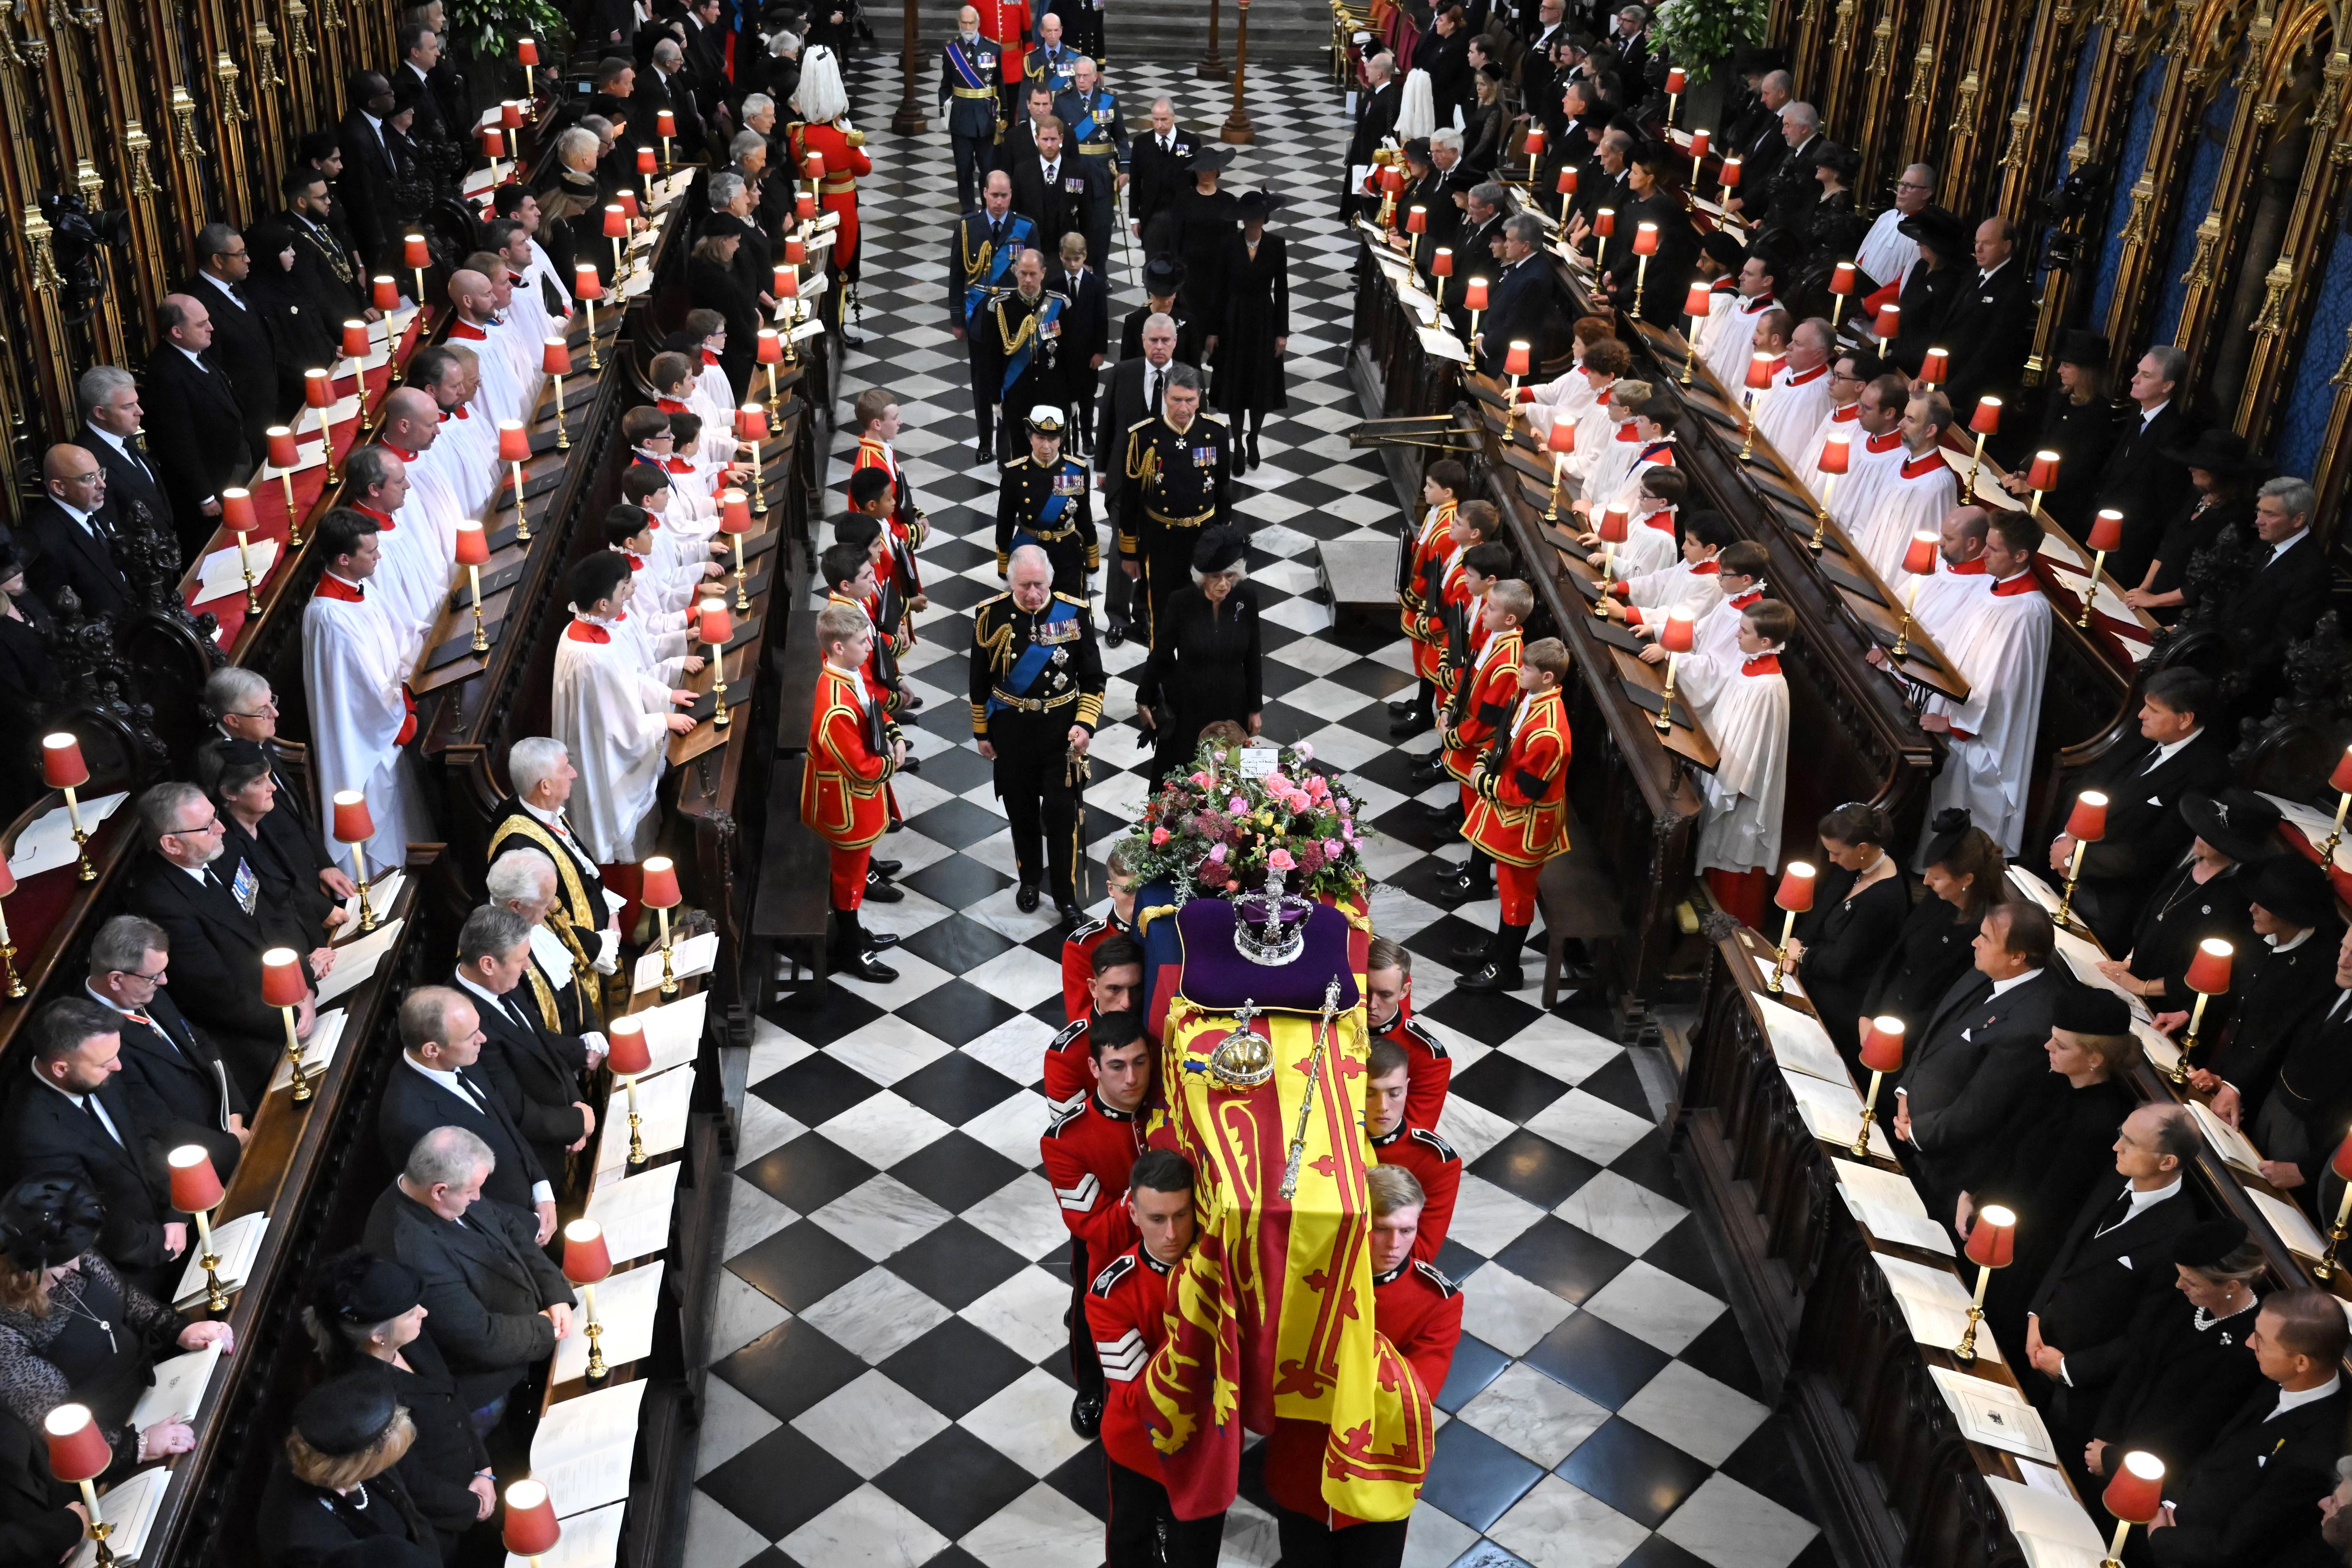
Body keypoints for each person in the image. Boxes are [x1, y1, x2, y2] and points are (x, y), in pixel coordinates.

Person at [1263, 1165, 1462, 1565]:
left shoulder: (1436, 1300)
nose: (1394, 1244)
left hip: (1379, 1472)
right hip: (1305, 1463)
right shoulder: (1303, 1278)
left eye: (1407, 1230)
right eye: (1382, 1228)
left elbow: (1413, 1395)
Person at [0, 1176, 229, 1480]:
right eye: (68, 1260)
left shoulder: (69, 1255)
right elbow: (56, 1426)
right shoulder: (7, 1333)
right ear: (29, 1268)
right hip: (111, 1443)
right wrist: (139, 1446)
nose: (81, 1264)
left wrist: (177, 1330)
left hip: (155, 1386)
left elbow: (127, 1299)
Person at [361, 1125, 573, 1430]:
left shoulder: (451, 1186)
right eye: (471, 1192)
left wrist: (556, 1294)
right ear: (439, 1190)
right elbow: (479, 1337)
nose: (478, 1197)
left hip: (534, 1330)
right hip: (497, 1383)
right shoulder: (410, 1250)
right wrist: (547, 1327)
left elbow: (510, 1229)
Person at [125, 782, 320, 1098]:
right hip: (254, 1033)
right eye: (206, 826)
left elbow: (273, 914)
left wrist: (305, 983)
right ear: (172, 844)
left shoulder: (217, 851)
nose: (221, 828)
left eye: (215, 817)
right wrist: (293, 1014)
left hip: (295, 991)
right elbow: (216, 995)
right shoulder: (162, 904)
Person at [2019, 1102, 2200, 1439]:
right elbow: (2070, 1249)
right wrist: (2035, 1314)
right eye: (2121, 1134)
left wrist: (2068, 1368)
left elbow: (2146, 1333)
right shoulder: (2117, 1174)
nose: (2117, 1146)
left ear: (2167, 1161)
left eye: (2130, 1142)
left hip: (2078, 1390)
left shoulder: (2178, 1236)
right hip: (2039, 1342)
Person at [1963, 987, 2140, 1330]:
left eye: (2061, 1044)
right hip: (1987, 1213)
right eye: (2052, 1038)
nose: (2048, 1046)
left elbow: (2047, 1205)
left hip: (2016, 1249)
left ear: (2095, 1058)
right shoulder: (2055, 1078)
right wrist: (1970, 1192)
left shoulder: (2100, 1122)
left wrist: (1982, 1226)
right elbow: (2008, 1140)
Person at [1083, 1148, 1222, 1565]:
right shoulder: (1111, 1293)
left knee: (1197, 1550)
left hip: (1205, 1444)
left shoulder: (1223, 1275)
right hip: (1139, 1444)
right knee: (1131, 1542)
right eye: (1157, 1218)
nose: (1172, 1233)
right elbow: (1134, 1393)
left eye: (1181, 1215)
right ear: (1134, 1215)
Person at [302, 1252, 495, 1551]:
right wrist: (474, 1504)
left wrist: (483, 1468)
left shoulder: (410, 1338)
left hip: (474, 1479)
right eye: (410, 1312)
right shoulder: (365, 1400)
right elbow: (414, 1485)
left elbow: (452, 1396)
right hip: (445, 1525)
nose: (424, 1313)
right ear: (379, 1336)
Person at [2144, 1289, 2347, 1567]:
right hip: (2176, 1519)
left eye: (2262, 1341)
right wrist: (2171, 1503)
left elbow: (2239, 1544)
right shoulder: (2276, 1377)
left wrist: (2162, 1537)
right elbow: (2217, 1452)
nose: (2250, 1343)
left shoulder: (2317, 1450)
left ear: (2301, 1362)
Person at [1888, 898, 2060, 1219]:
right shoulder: (1987, 967)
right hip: (1908, 1119)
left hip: (1940, 1161)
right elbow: (1936, 1032)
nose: (1974, 942)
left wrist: (1916, 1132)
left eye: (1986, 938)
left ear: (2017, 957)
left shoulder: (2031, 1026)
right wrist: (1906, 1089)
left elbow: (1981, 1107)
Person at [3, 999, 186, 1297]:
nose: (119, 1066)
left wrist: (175, 1211)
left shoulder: (96, 1071)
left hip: (167, 1225)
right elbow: (90, 1218)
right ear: (61, 1068)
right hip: (135, 1269)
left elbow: (143, 1142)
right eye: (105, 1063)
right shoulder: (34, 1133)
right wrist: (160, 1245)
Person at [2046, 668, 2233, 951]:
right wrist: (2065, 839)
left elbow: (2156, 851)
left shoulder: (2208, 774)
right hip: (2061, 862)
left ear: (2185, 719)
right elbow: (2088, 784)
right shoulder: (2145, 733)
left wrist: (2076, 860)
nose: (2141, 715)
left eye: (2153, 710)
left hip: (2109, 900)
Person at [971, 545, 1104, 923]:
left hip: (1060, 735)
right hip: (1011, 733)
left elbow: (1093, 679)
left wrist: (1085, 724)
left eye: (1040, 585)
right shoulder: (989, 615)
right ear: (1011, 582)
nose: (1034, 594)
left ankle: (1066, 898)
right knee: (1022, 812)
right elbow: (979, 680)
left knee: (1062, 817)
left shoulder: (1074, 612)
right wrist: (982, 731)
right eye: (1026, 585)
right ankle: (1029, 879)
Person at [2080, 1219, 2267, 1487]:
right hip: (2111, 1444)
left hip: (2155, 1472)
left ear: (2231, 1288)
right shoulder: (2181, 1300)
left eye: (2191, 1281)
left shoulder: (2248, 1344)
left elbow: (2197, 1427)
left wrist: (2116, 1460)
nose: (2179, 1285)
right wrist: (2104, 1438)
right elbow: (2137, 1366)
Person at [551, 553, 697, 882]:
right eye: (622, 589)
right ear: (603, 603)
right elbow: (617, 729)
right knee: (625, 842)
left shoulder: (597, 629)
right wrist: (663, 721)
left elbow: (630, 678)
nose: (628, 593)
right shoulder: (588, 657)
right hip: (603, 757)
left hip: (611, 738)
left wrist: (667, 695)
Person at [1914, 510, 2051, 855]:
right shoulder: (1993, 587)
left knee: (1969, 816)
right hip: (1957, 708)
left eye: (1994, 549)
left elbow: (2004, 684)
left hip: (1981, 732)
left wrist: (1954, 724)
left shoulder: (2028, 610)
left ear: (2020, 556)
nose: (1984, 555)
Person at [1044, 1011, 1152, 1439]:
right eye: (1117, 1066)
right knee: (1091, 1319)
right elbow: (1097, 1229)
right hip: (1112, 1259)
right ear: (1094, 1068)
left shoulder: (1169, 1107)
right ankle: (1089, 1391)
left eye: (1141, 1062)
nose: (1132, 1078)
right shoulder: (1067, 1139)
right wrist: (1148, 1194)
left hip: (1171, 1251)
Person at [375, 989, 556, 1243]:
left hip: (536, 1203)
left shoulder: (461, 1054)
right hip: (510, 1238)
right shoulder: (408, 1121)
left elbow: (505, 1124)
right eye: (472, 1036)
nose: (482, 1039)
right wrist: (531, 1226)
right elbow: (454, 1205)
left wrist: (542, 1189)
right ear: (432, 1050)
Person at [84, 914, 251, 1186]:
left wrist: (234, 1113)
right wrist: (231, 1145)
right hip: (202, 1166)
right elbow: (157, 1125)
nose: (164, 982)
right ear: (116, 980)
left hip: (232, 1125)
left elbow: (201, 1044)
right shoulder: (98, 1042)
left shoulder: (142, 988)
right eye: (154, 976)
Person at [301, 509, 421, 876]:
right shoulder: (329, 616)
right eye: (371, 552)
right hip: (366, 739)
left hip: (389, 715)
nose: (379, 557)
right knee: (380, 817)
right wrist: (402, 716)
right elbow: (358, 692)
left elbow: (395, 639)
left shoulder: (360, 590)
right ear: (344, 559)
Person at [2094, 787, 2274, 1025]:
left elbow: (2213, 971)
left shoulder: (2236, 899)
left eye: (2213, 836)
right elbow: (2155, 914)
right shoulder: (2188, 859)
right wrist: (2130, 961)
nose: (2200, 836)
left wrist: (2143, 987)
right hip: (2137, 979)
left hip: (2170, 1010)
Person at [2191, 855, 2345, 1128]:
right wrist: (2188, 1013)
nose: (2252, 909)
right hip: (2219, 1067)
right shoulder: (2257, 933)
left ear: (2291, 914)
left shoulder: (2322, 969)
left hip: (2256, 1091)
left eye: (2265, 905)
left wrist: (2233, 1085)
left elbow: (2280, 1037)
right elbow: (2232, 994)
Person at [453, 905, 599, 1189]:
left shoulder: (503, 981)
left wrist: (577, 1104)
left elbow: (541, 1042)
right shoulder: (466, 1024)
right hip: (537, 1159)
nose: (528, 966)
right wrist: (575, 1122)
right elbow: (513, 1109)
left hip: (564, 1127)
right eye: (521, 959)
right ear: (488, 964)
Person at [1458, 637, 1573, 992]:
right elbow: (1506, 737)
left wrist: (1485, 782)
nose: (1519, 672)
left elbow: (1525, 792)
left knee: (1516, 895)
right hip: (1515, 814)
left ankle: (1507, 968)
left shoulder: (1548, 733)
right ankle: (1500, 948)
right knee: (1510, 892)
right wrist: (1483, 762)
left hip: (1527, 823)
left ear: (1548, 676)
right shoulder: (1533, 699)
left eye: (1526, 669)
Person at [803, 603, 908, 983]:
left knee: (856, 874)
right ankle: (850, 948)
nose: (870, 647)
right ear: (837, 647)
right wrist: (892, 763)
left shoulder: (849, 674)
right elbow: (862, 769)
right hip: (844, 805)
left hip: (855, 797)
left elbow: (875, 711)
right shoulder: (835, 708)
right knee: (848, 881)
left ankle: (854, 933)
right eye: (862, 642)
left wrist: (894, 736)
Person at [255, 1372, 438, 1566]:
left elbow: (412, 1516)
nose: (389, 1466)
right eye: (386, 1461)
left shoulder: (358, 1448)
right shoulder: (305, 1543)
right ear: (359, 1463)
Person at [1861, 809, 2005, 1045]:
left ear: (1967, 880)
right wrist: (1867, 1013)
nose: (1926, 883)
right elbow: (1896, 954)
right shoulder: (1937, 900)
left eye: (1936, 878)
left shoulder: (1983, 932)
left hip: (1914, 1035)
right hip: (1883, 1011)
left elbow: (1948, 1001)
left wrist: (1893, 1039)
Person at [1135, 526, 1262, 793]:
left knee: (1230, 782)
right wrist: (1143, 697)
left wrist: (1255, 709)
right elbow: (1162, 653)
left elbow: (1253, 657)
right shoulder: (1181, 602)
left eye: (1230, 576)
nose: (1224, 584)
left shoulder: (1246, 599)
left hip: (1232, 704)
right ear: (1202, 576)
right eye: (1215, 577)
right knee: (1184, 781)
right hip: (1188, 705)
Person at [1694, 600, 1795, 928]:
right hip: (1721, 772)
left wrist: (1726, 786)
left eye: (1744, 631)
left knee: (1733, 856)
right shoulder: (1748, 665)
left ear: (1766, 642)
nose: (1737, 634)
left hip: (1740, 792)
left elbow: (1754, 751)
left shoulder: (1768, 687)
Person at [487, 736, 620, 985]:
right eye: (565, 768)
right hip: (580, 962)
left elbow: (582, 870)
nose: (574, 774)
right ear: (545, 786)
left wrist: (610, 911)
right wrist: (601, 943)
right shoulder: (518, 847)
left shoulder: (542, 810)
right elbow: (541, 919)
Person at [1781, 803, 1909, 1059]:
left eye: (1836, 853)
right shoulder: (1854, 867)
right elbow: (1821, 914)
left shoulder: (1883, 899)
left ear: (1862, 849)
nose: (1831, 859)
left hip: (1843, 995)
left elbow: (1843, 963)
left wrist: (1802, 954)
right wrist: (1796, 945)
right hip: (1819, 967)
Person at [1116, 365, 1231, 644]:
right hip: (1162, 541)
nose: (1184, 408)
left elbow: (1222, 490)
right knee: (1163, 615)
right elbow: (1131, 499)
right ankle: (1162, 676)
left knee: (1204, 612)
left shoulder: (1214, 433)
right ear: (1165, 396)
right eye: (1177, 399)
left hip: (1203, 539)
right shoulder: (1143, 438)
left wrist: (1225, 544)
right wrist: (1129, 553)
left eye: (1190, 400)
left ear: (1200, 397)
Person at [207, 741, 344, 954]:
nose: (272, 788)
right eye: (259, 782)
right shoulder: (225, 851)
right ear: (229, 793)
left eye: (269, 777)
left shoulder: (263, 821)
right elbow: (264, 920)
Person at [2123, 428, 2265, 622]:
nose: (2191, 468)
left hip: (2182, 616)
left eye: (2200, 465)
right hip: (2154, 599)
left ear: (2221, 473)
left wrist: (2155, 600)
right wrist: (2144, 589)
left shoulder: (2236, 518)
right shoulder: (2196, 495)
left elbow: (2205, 582)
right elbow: (2168, 546)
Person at [2215, 477, 2329, 698]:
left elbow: (2285, 639)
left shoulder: (2312, 570)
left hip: (2251, 681)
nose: (2258, 520)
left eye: (2270, 515)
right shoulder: (2265, 543)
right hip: (2222, 651)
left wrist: (2232, 668)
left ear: (2298, 519)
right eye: (2259, 511)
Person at [786, 46, 872, 340]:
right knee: (843, 267)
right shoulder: (844, 139)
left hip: (810, 206)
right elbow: (864, 169)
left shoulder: (798, 136)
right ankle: (839, 327)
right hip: (842, 209)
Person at [2085, 347, 2195, 572]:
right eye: (2138, 372)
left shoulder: (2175, 433)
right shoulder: (2138, 414)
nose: (2134, 380)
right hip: (2102, 525)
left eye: (2146, 376)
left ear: (2168, 386)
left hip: (2130, 545)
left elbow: (2165, 501)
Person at [1363, 1039, 1460, 1262]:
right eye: (1370, 1093)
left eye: (1394, 1093)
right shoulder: (1333, 1136)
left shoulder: (1435, 1159)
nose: (1383, 1106)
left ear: (1407, 1087)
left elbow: (1422, 1252)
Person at [187, 223, 281, 453]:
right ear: (218, 261)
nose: (248, 260)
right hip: (246, 419)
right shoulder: (196, 304)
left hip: (268, 406)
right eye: (241, 255)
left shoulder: (235, 286)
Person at [2013, 329, 2117, 536]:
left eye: (2067, 366)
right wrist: (2024, 472)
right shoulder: (2060, 397)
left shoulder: (2099, 411)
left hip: (2062, 502)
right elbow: (2044, 443)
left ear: (2086, 372)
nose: (2060, 370)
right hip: (2038, 486)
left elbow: (2082, 467)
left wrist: (2035, 485)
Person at [1212, 191, 1289, 468]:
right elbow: (1218, 290)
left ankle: (1254, 438)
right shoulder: (1227, 245)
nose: (1254, 220)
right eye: (1249, 216)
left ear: (1265, 218)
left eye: (1258, 215)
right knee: (1235, 385)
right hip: (1234, 319)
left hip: (1263, 319)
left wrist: (1282, 333)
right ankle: (1238, 444)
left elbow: (1282, 291)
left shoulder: (1277, 245)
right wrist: (1213, 331)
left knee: (1260, 384)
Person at [1937, 217, 2034, 416]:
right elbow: (1949, 326)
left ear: (2007, 246)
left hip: (1972, 395)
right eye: (1976, 242)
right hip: (1944, 378)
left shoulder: (2015, 291)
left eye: (1987, 243)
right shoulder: (1974, 273)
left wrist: (1949, 394)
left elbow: (1991, 352)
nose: (1978, 249)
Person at [996, 408, 1096, 592]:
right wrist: (1004, 570)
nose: (1046, 446)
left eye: (1053, 439)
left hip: (1067, 557)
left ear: (1061, 440)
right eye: (1040, 438)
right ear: (1030, 437)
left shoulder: (1078, 470)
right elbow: (1005, 522)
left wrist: (1093, 567)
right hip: (1028, 556)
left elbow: (1084, 518)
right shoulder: (1015, 473)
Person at [25, 444, 129, 620]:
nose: (102, 484)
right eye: (89, 478)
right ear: (59, 487)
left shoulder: (98, 505)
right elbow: (62, 616)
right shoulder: (44, 540)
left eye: (100, 473)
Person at [1045, 933, 1144, 1110]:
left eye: (1135, 989)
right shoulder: (1067, 1055)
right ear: (1094, 988)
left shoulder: (1157, 1026)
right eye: (1115, 989)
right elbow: (1074, 1131)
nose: (1127, 1002)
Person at [939, 8, 1006, 211]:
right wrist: (945, 113)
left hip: (986, 118)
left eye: (971, 23)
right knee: (964, 169)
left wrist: (1004, 116)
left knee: (988, 169)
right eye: (964, 23)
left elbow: (1000, 84)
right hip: (961, 119)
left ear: (978, 24)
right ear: (959, 23)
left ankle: (989, 210)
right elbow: (945, 86)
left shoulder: (993, 49)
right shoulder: (951, 50)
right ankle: (968, 211)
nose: (968, 28)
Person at [1062, 846, 1140, 1016]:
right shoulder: (1083, 946)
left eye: (1146, 890)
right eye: (1129, 891)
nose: (1139, 900)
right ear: (1111, 889)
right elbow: (1082, 1017)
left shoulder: (1176, 931)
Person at [1855, 162, 1934, 295]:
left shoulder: (1924, 231)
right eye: (1901, 184)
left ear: (1926, 194)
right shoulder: (1886, 217)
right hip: (1860, 295)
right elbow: (1863, 256)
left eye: (1909, 186)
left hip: (1886, 308)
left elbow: (1909, 278)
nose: (1901, 190)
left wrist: (1869, 304)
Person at [1340, 52, 1403, 218]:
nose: (1366, 68)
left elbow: (1377, 142)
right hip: (1361, 152)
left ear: (1380, 73)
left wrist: (1369, 177)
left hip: (1370, 160)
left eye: (1371, 66)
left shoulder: (1387, 102)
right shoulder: (1377, 93)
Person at [1128, 97, 1200, 239]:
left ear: (1174, 117)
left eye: (1164, 120)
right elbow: (1135, 183)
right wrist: (1135, 218)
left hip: (1183, 215)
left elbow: (1197, 181)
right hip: (1151, 215)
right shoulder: (1141, 143)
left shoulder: (1191, 142)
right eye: (1155, 120)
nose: (1159, 125)